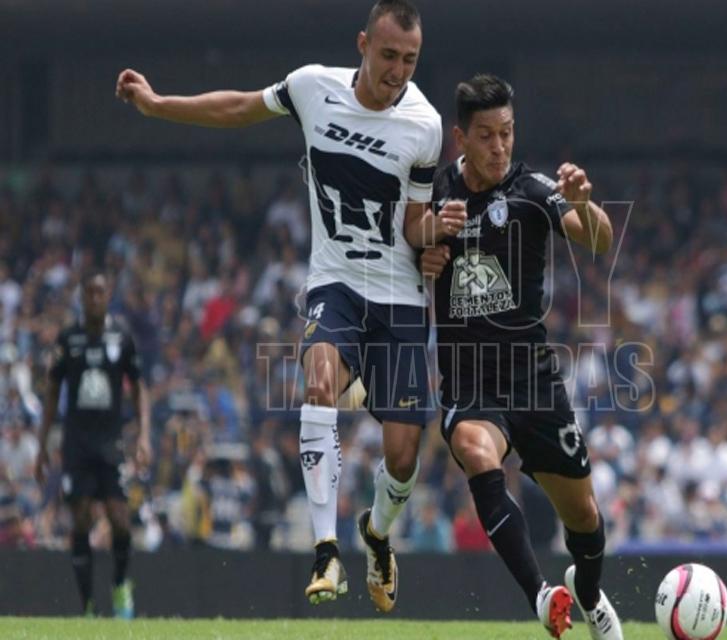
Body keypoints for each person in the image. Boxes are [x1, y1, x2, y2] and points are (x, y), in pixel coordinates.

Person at [115, 0, 465, 612]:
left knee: (404, 457)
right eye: (388, 55)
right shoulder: (311, 88)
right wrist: (159, 104)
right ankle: (326, 548)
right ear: (362, 44)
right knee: (318, 381)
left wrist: (436, 232)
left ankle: (376, 532)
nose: (398, 71)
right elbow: (239, 107)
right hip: (335, 284)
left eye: (410, 60)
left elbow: (412, 222)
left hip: (399, 297)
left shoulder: (425, 124)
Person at [418, 74, 622, 639]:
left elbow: (600, 239)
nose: (499, 146)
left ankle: (588, 594)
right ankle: (540, 594)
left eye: (506, 133)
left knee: (584, 516)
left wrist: (584, 205)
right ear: (461, 138)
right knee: (475, 451)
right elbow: (401, 249)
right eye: (486, 136)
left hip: (534, 382)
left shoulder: (533, 191)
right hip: (470, 383)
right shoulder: (434, 193)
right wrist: (422, 256)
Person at [34, 272, 152, 618]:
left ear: (108, 295)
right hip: (77, 444)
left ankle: (120, 585)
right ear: (82, 297)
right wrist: (42, 445)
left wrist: (144, 435)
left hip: (110, 443)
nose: (95, 298)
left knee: (120, 518)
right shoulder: (68, 338)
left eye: (101, 292)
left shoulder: (122, 338)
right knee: (81, 519)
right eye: (90, 293)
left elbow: (138, 388)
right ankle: (87, 604)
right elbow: (52, 392)